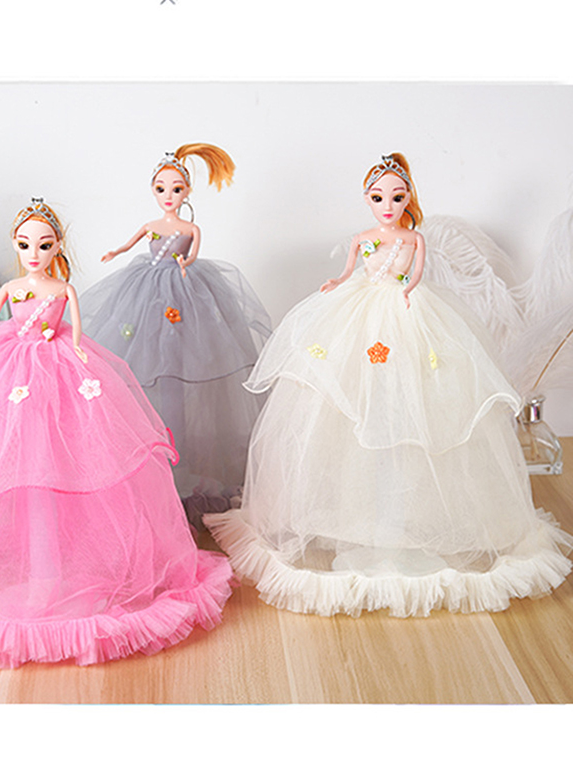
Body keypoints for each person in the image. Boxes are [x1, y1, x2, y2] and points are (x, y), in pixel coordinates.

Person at [0, 198, 233, 667]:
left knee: (66, 459)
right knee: (0, 456)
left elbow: (76, 331)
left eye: (44, 245)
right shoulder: (12, 287)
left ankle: (52, 570)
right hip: (8, 366)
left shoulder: (62, 288)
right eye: (25, 244)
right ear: (15, 244)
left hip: (59, 369)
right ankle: (31, 568)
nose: (34, 253)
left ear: (57, 246)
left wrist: (82, 357)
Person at [205, 153, 573, 617]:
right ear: (367, 199)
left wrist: (408, 291)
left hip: (408, 312)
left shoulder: (414, 238)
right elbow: (349, 271)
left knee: (415, 399)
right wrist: (336, 282)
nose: (388, 205)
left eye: (397, 197)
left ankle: (406, 518)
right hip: (359, 311)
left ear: (407, 199)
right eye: (379, 198)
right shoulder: (363, 239)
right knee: (351, 401)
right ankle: (369, 515)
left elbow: (416, 274)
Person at [79, 144, 271, 526]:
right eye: (161, 188)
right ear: (153, 190)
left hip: (185, 290)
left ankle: (180, 471)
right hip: (146, 289)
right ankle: (160, 467)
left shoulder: (190, 228)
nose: (169, 195)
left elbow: (193, 254)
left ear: (187, 192)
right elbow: (130, 243)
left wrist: (185, 264)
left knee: (184, 360)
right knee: (145, 358)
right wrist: (115, 252)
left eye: (176, 188)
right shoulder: (152, 226)